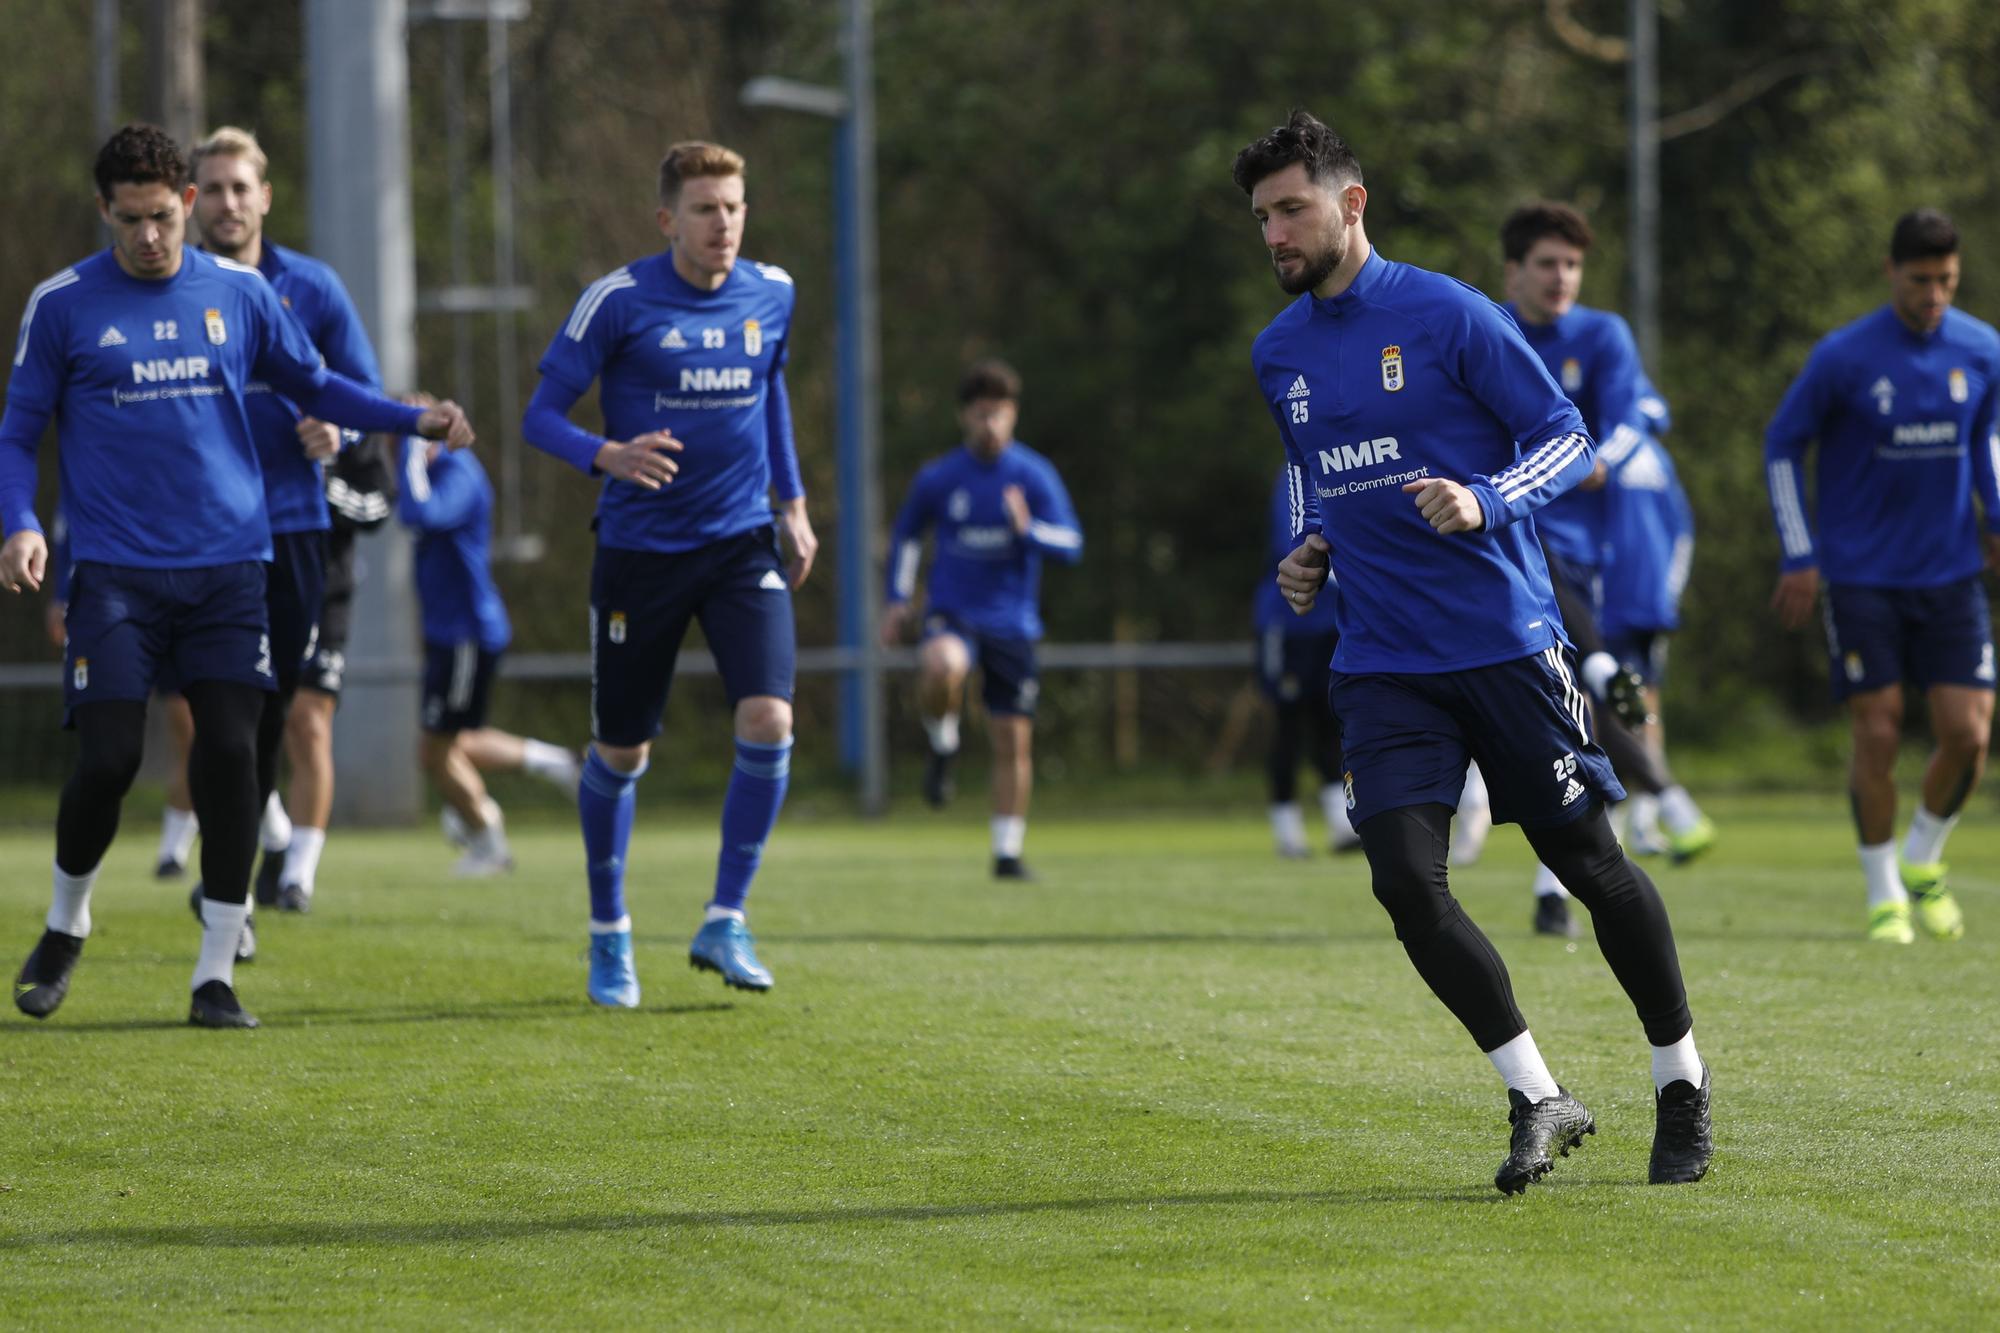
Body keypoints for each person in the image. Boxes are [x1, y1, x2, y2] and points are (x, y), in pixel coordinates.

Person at [1238, 111, 1711, 1192]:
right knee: (1405, 881)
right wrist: (1307, 544)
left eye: (1290, 209)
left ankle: (1678, 1080)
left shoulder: (1447, 313)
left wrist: (1484, 497)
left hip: (1502, 643)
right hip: (1382, 662)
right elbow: (1314, 466)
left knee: (1585, 865)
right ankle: (1536, 1093)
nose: (1273, 233)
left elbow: (1566, 439)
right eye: (1260, 216)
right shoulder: (1277, 354)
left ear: (1348, 204)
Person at [1, 124, 472, 1029]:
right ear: (105, 210)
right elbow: (20, 433)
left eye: (162, 216)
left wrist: (409, 421)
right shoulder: (61, 304)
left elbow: (318, 382)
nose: (149, 236)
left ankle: (215, 973)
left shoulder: (242, 293)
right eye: (129, 218)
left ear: (186, 207)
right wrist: (22, 524)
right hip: (116, 576)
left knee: (230, 757)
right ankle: (66, 923)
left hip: (229, 569)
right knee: (107, 758)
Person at [522, 140, 815, 1008]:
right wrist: (604, 452)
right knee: (622, 748)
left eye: (732, 206)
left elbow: (773, 395)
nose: (721, 223)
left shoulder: (775, 290)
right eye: (703, 209)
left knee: (768, 717)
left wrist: (792, 505)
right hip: (640, 555)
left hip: (739, 545)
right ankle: (609, 934)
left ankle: (726, 916)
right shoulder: (616, 301)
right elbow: (540, 417)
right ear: (667, 219)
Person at [1765, 208, 2000, 944]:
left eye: (1948, 282)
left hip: (1952, 573)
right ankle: (1884, 893)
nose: (1935, 296)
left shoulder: (1983, 349)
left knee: (1968, 734)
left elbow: (1991, 438)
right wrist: (1801, 554)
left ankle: (1923, 858)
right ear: (1892, 273)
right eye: (1922, 280)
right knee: (1879, 728)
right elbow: (1782, 445)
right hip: (1862, 576)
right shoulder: (1844, 357)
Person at [1498, 202, 1715, 938]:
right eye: (1547, 263)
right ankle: (1661, 800)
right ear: (1514, 270)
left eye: (1572, 264)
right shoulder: (1487, 329)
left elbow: (1629, 424)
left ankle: (1565, 877)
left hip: (1596, 556)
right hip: (1515, 546)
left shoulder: (1604, 335)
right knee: (1580, 697)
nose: (1562, 277)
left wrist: (1591, 461)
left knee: (1585, 703)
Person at [188, 125, 383, 917]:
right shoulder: (173, 286)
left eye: (243, 188)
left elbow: (364, 392)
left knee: (277, 717)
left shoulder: (315, 288)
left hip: (298, 533)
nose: (229, 203)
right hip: (201, 538)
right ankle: (231, 881)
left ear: (265, 196)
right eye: (214, 189)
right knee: (220, 722)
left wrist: (342, 432)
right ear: (190, 200)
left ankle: (259, 862)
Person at [881, 360, 1083, 877]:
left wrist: (1029, 530)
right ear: (963, 418)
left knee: (1012, 739)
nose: (989, 424)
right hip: (954, 613)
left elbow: (1071, 543)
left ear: (1012, 416)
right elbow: (906, 535)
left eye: (999, 414)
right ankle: (943, 741)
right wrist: (898, 599)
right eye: (980, 414)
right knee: (941, 665)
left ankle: (1007, 851)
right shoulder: (941, 477)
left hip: (1013, 625)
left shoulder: (1033, 475)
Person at [396, 421, 580, 874]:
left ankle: (487, 840)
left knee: (435, 751)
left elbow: (419, 514)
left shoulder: (457, 472)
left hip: (466, 632)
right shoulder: (428, 473)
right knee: (453, 743)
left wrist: (408, 448)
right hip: (449, 634)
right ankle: (555, 765)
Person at [279, 417, 400, 901]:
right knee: (243, 727)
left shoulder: (348, 408)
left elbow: (378, 505)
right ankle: (270, 836)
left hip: (326, 596)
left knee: (309, 725)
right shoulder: (250, 380)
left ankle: (297, 876)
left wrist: (321, 487)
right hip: (252, 587)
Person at [1598, 377, 1694, 856]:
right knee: (1633, 705)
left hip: (1628, 604)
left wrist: (1666, 594)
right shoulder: (1652, 459)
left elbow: (1680, 531)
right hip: (1627, 603)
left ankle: (1640, 816)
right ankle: (1638, 816)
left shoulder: (1607, 456)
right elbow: (1684, 534)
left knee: (1622, 707)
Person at [1251, 465, 1353, 858]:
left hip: (1331, 623)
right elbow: (1291, 545)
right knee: (1289, 723)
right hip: (1287, 624)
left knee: (1330, 720)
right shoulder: (1298, 475)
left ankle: (1341, 823)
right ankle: (1287, 832)